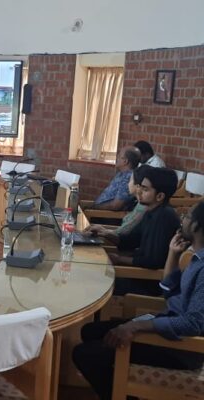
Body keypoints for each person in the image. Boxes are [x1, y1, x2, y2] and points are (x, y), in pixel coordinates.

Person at [73, 201, 204, 400]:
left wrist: (137, 326)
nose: (183, 219)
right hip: (168, 327)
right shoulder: (196, 258)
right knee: (90, 331)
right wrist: (173, 254)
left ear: (195, 226)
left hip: (181, 348)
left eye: (187, 216)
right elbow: (169, 292)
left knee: (85, 354)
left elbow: (192, 324)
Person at [95, 167, 180, 295]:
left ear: (160, 196)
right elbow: (131, 241)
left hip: (148, 282)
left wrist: (119, 259)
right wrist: (106, 233)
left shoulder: (164, 217)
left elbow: (152, 261)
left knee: (96, 279)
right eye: (139, 186)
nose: (138, 191)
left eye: (145, 189)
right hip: (138, 273)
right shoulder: (151, 211)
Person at [86, 165, 152, 237]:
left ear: (138, 186)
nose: (128, 184)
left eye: (130, 180)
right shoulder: (139, 203)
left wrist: (104, 232)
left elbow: (123, 234)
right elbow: (121, 231)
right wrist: (103, 229)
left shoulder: (142, 207)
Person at [90, 146, 141, 211]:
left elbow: (115, 206)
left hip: (103, 216)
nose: (116, 158)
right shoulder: (121, 174)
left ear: (125, 161)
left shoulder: (128, 178)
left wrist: (94, 208)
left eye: (119, 156)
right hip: (95, 211)